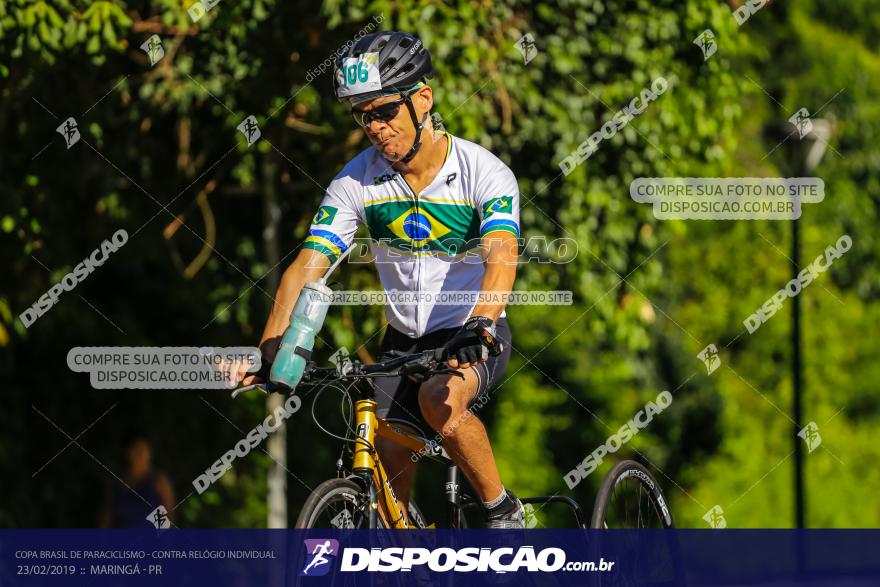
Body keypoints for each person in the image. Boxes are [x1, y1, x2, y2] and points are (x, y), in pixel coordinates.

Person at [242, 31, 523, 528]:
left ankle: (503, 511)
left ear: (422, 100)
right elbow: (310, 263)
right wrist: (270, 348)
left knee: (440, 401)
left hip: (471, 330)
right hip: (402, 342)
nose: (374, 127)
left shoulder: (483, 171)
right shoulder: (356, 181)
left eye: (383, 111)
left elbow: (501, 255)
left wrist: (480, 322)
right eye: (362, 114)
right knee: (383, 470)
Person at [98, 436, 175, 528]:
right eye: (136, 450)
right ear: (128, 452)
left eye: (143, 450)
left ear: (149, 454)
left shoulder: (158, 483)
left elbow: (167, 521)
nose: (140, 455)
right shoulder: (117, 484)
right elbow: (106, 518)